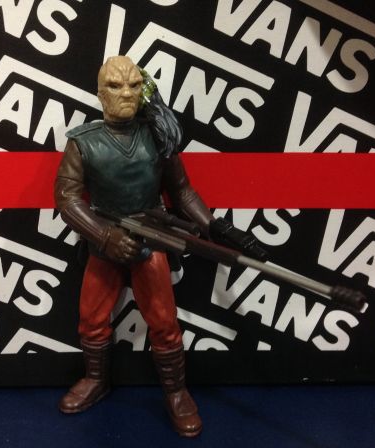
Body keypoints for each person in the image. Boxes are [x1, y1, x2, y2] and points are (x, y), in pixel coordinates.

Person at [54, 55, 263, 437]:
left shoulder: (158, 135)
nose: (126, 93)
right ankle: (96, 379)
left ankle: (176, 392)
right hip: (105, 240)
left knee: (164, 323)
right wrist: (105, 236)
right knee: (91, 319)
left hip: (152, 237)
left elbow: (182, 191)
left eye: (134, 85)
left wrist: (214, 225)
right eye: (115, 85)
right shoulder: (83, 141)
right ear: (100, 93)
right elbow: (67, 200)